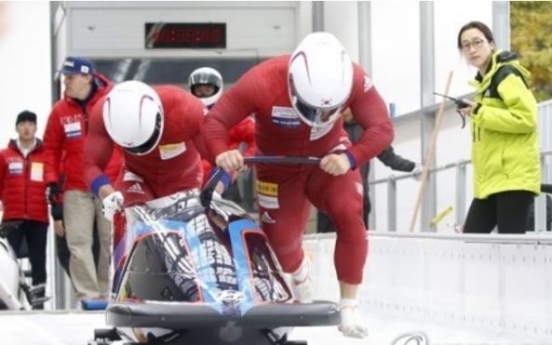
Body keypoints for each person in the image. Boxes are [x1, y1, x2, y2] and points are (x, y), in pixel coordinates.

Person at [201, 32, 394, 338]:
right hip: (276, 168)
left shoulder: (356, 78)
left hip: (329, 158)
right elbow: (215, 121)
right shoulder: (261, 80)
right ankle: (299, 270)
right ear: (293, 85)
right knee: (281, 243)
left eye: (327, 112)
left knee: (348, 211)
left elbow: (382, 128)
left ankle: (349, 306)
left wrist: (352, 158)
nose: (317, 117)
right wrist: (221, 151)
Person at [43, 56, 122, 301]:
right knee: (78, 242)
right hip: (75, 187)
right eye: (65, 77)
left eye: (70, 77)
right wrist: (53, 186)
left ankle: (108, 290)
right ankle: (89, 295)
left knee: (110, 240)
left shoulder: (112, 103)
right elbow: (50, 151)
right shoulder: (60, 111)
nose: (65, 82)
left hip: (108, 184)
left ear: (87, 77)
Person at [84, 80, 213, 228]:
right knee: (134, 226)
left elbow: (220, 155)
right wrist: (108, 196)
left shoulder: (187, 109)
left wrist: (214, 192)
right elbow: (91, 165)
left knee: (187, 235)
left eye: (144, 142)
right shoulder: (102, 114)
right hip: (137, 176)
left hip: (184, 180)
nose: (140, 148)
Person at [456, 21, 540, 234]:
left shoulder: (506, 74)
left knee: (508, 249)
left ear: (491, 44)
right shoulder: (483, 84)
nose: (472, 49)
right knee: (473, 244)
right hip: (489, 181)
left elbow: (527, 118)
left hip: (512, 178)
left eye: (477, 42)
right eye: (466, 45)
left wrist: (479, 112)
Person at [317, 109, 421, 233]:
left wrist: (412, 167)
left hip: (358, 200)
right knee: (325, 246)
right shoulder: (326, 129)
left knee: (357, 245)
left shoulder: (367, 129)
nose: (342, 108)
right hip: (328, 202)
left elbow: (388, 156)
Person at [0, 111, 49, 309]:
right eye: (23, 124)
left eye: (30, 123)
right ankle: (10, 299)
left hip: (38, 217)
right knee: (9, 261)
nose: (26, 127)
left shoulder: (46, 155)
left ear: (36, 127)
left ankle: (38, 303)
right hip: (13, 217)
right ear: (16, 128)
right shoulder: (5, 156)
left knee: (38, 260)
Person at [188, 67, 256, 204]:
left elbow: (258, 138)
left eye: (207, 90)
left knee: (227, 223)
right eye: (199, 91)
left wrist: (245, 160)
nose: (203, 95)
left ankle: (214, 195)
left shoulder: (231, 115)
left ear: (217, 88)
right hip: (187, 184)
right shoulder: (183, 113)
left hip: (223, 183)